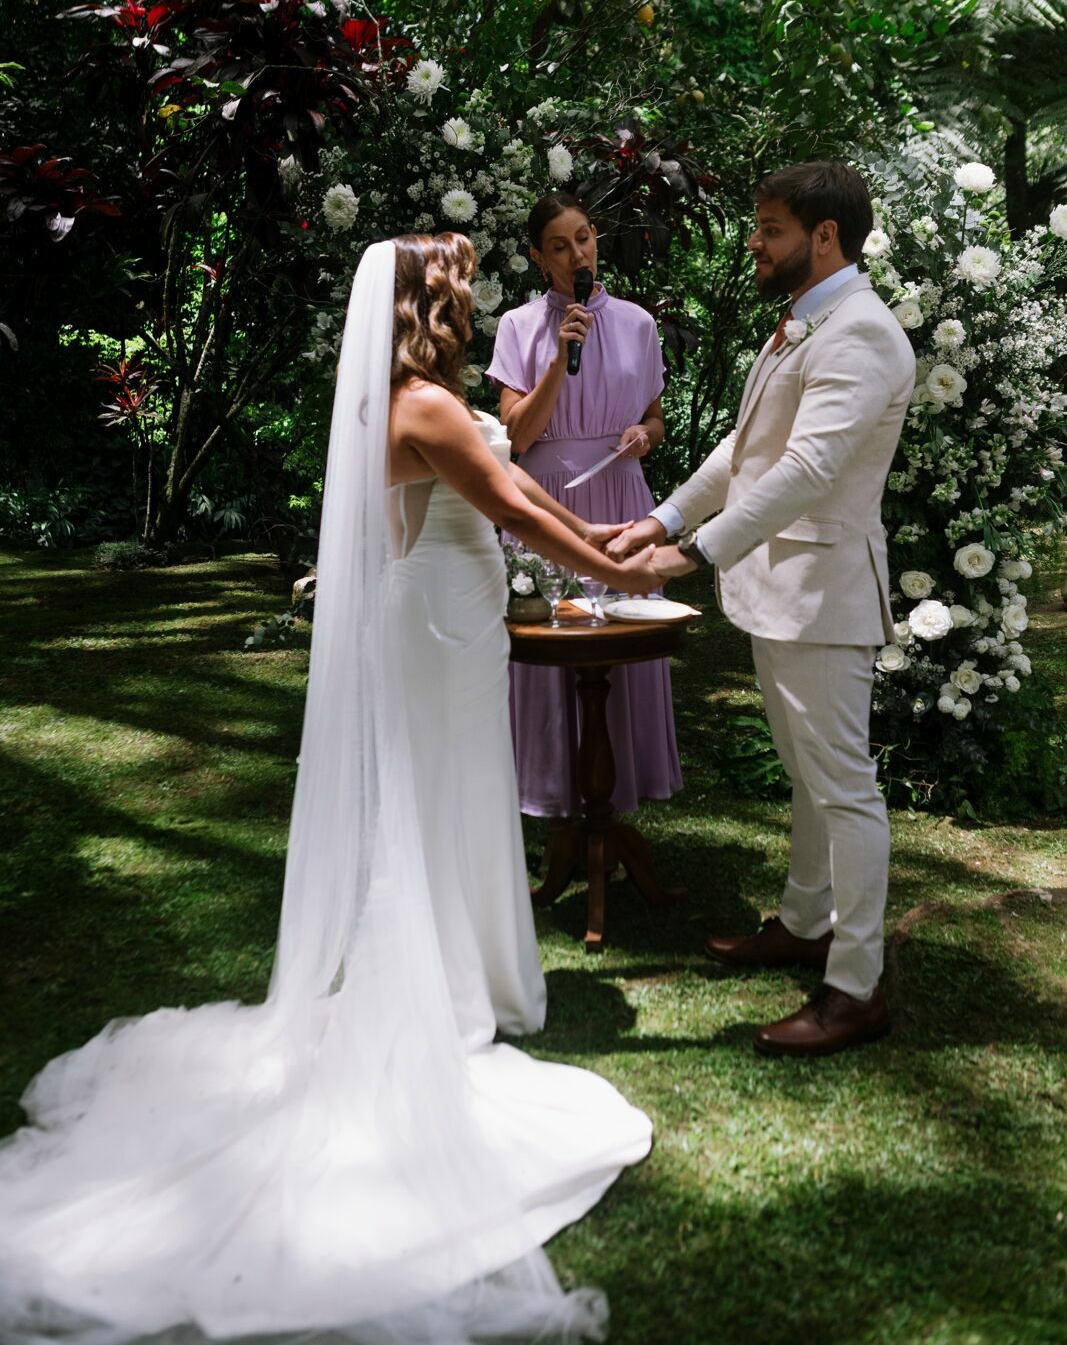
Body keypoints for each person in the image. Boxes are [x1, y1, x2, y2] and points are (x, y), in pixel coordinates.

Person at [0, 234, 661, 1345]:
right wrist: (614, 570)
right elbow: (509, 506)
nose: (468, 306)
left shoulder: (389, 401)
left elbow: (514, 501)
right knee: (436, 798)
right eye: (456, 296)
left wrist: (599, 533)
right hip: (446, 616)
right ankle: (449, 988)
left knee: (439, 795)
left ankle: (461, 974)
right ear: (427, 315)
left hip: (436, 614)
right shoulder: (431, 409)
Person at [608, 162, 916, 1058]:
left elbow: (809, 470)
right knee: (808, 776)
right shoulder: (806, 321)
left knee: (843, 788)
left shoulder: (859, 332)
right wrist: (661, 517)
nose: (754, 242)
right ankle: (803, 921)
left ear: (824, 237)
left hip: (822, 594)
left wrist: (694, 551)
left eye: (769, 228)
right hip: (785, 593)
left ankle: (854, 986)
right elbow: (747, 448)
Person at [488, 191, 683, 820]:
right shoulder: (519, 326)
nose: (577, 254)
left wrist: (643, 436)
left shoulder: (637, 323)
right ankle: (550, 789)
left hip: (621, 493)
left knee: (623, 635)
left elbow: (655, 422)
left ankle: (619, 788)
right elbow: (514, 439)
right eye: (559, 246)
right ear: (537, 259)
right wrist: (556, 361)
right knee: (550, 642)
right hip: (543, 504)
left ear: (596, 239)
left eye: (584, 238)